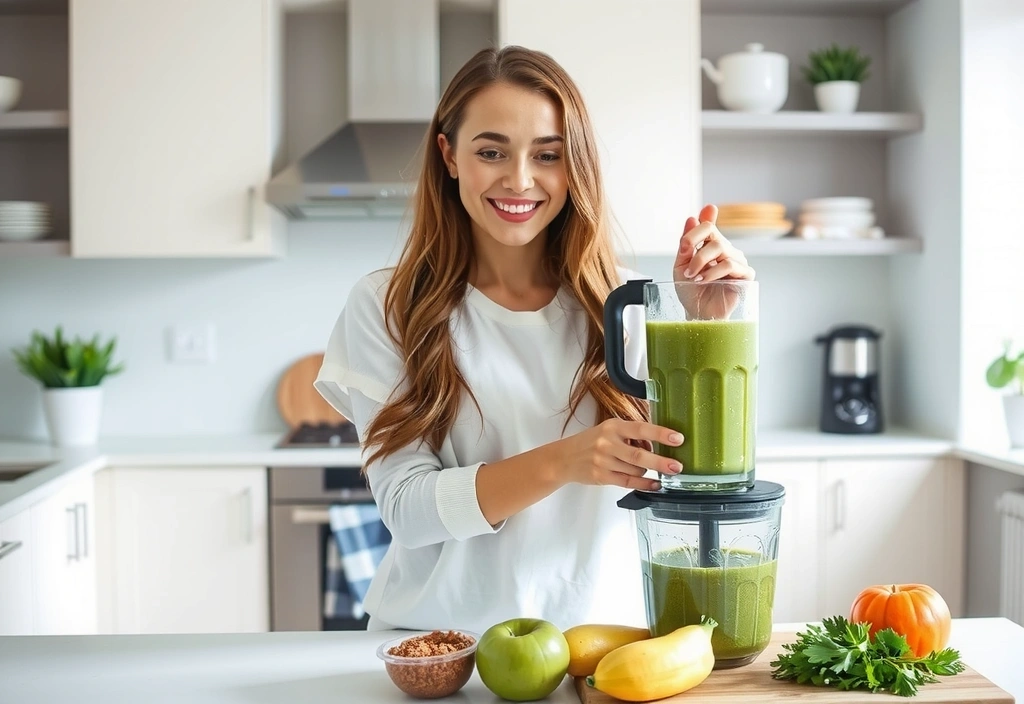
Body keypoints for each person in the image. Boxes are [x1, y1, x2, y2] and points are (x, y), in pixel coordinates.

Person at [314, 45, 755, 633]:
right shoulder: (388, 305)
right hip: (443, 649)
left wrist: (708, 327)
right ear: (448, 155)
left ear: (574, 165)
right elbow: (407, 512)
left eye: (547, 155)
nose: (519, 179)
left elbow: (693, 470)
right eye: (491, 151)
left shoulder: (625, 305)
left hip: (604, 646)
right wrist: (566, 460)